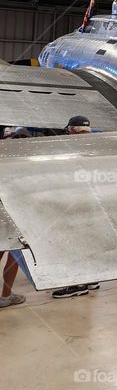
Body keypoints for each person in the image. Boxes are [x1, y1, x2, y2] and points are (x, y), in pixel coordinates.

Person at [52, 116, 100, 299]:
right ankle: (91, 278)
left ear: (72, 130)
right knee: (88, 240)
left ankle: (76, 284)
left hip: (74, 203)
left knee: (72, 243)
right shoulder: (93, 147)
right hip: (91, 201)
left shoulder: (70, 148)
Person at [0, 126, 31, 308]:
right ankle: (5, 296)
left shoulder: (4, 157)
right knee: (15, 257)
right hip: (16, 214)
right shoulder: (27, 163)